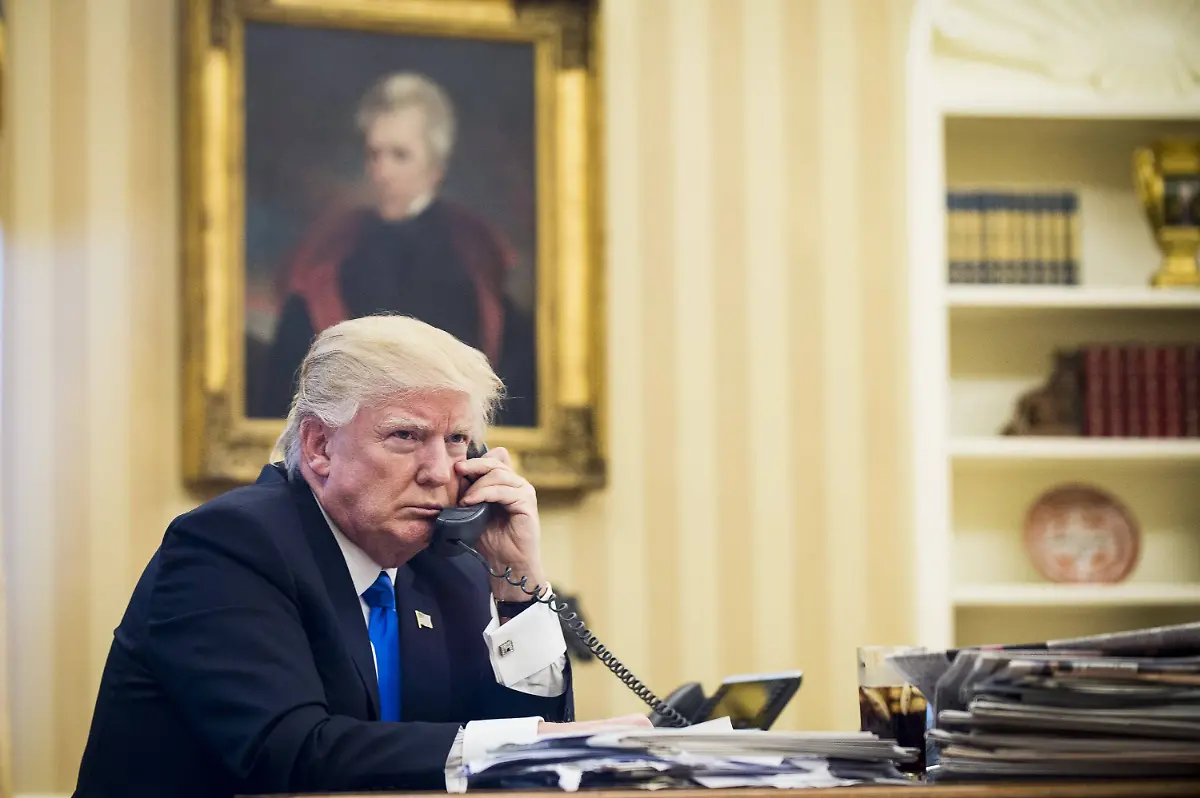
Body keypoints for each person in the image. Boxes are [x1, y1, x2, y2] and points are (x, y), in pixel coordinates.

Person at [75, 315, 648, 798]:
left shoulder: (446, 564)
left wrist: (518, 587)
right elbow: (293, 755)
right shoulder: (230, 546)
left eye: (455, 440)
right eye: (405, 436)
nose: (439, 472)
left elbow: (513, 758)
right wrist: (533, 743)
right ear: (320, 446)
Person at [252, 72, 537, 427]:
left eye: (400, 156)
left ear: (436, 168)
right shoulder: (332, 252)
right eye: (374, 155)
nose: (382, 171)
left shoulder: (474, 259)